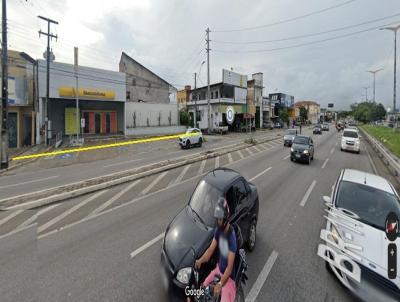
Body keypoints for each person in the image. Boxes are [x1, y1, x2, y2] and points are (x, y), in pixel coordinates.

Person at [195, 197, 237, 302]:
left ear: (226, 218)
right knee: (202, 290)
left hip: (228, 278)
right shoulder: (218, 231)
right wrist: (200, 261)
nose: (218, 222)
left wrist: (220, 284)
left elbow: (230, 267)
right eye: (217, 219)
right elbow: (210, 251)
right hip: (218, 270)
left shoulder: (231, 237)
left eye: (220, 219)